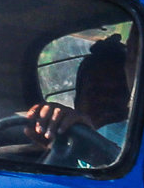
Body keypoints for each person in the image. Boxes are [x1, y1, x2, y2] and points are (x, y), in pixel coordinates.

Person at [20, 35, 135, 167]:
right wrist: (52, 132)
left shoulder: (139, 146)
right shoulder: (63, 142)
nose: (105, 100)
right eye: (95, 92)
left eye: (119, 92)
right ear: (77, 100)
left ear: (134, 98)